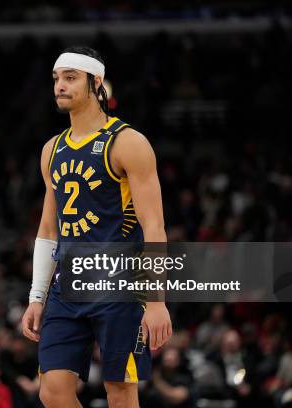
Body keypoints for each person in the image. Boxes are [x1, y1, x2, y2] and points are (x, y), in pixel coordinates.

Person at [21, 46, 172, 407]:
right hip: (67, 286)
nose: (60, 85)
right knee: (52, 391)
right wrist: (36, 296)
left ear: (96, 83)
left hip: (120, 285)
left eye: (71, 78)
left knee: (120, 391)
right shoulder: (51, 150)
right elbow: (47, 228)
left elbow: (154, 228)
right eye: (57, 78)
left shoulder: (128, 143)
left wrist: (156, 301)